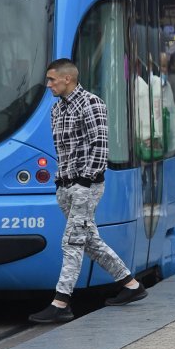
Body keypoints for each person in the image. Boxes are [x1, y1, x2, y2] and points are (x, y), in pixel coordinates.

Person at [29, 59, 147, 324]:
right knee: (90, 241)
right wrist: (61, 183)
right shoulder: (57, 110)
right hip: (66, 186)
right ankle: (131, 286)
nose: (48, 85)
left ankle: (61, 302)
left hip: (87, 186)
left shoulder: (92, 104)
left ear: (67, 79)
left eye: (51, 80)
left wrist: (85, 181)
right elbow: (63, 151)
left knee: (71, 241)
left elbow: (100, 147)